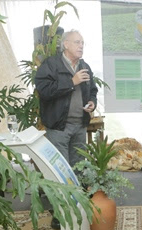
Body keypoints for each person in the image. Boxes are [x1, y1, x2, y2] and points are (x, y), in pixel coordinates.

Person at [34, 29, 98, 168]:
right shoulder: (51, 64)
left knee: (79, 168)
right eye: (77, 42)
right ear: (66, 44)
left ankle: (78, 184)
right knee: (62, 168)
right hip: (59, 127)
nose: (81, 46)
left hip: (80, 126)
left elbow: (93, 90)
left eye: (82, 43)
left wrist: (92, 102)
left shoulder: (84, 66)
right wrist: (71, 82)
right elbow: (44, 90)